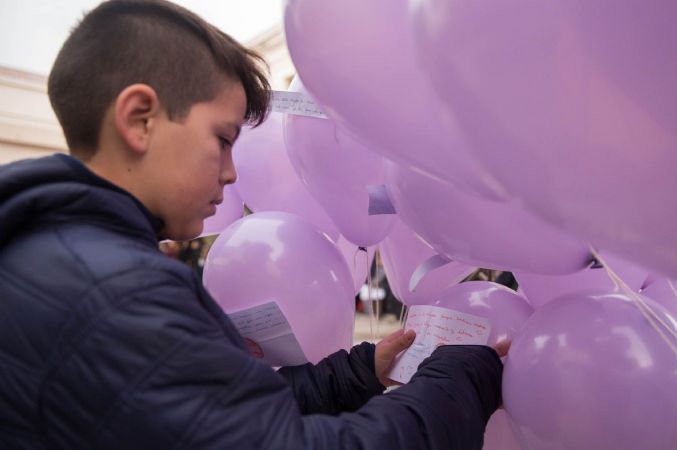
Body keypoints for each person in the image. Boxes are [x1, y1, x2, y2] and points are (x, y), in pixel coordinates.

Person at [0, 1, 506, 449]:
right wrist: (459, 377)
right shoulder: (117, 292)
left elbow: (213, 412)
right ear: (139, 119)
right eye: (222, 139)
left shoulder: (52, 255)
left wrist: (355, 372)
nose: (232, 173)